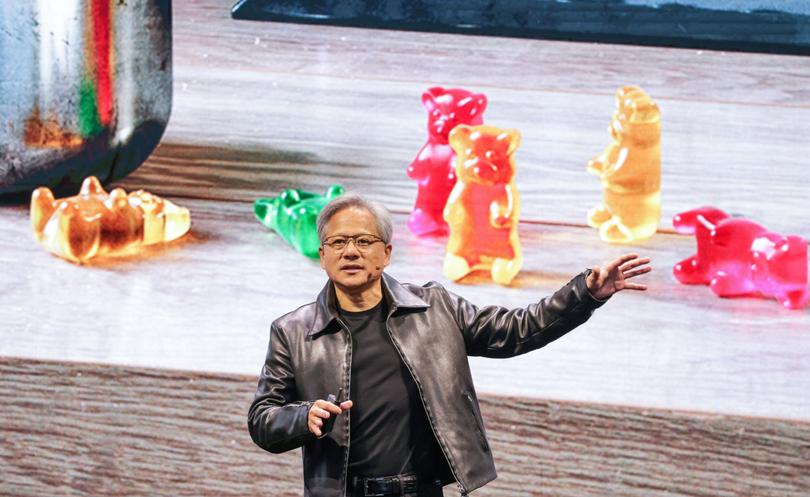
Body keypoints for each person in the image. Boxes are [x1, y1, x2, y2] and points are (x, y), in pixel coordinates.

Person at [247, 194, 651, 497]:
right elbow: (262, 419)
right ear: (322, 255)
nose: (350, 251)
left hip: (420, 490)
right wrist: (303, 417)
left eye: (363, 240)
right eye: (337, 243)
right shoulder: (293, 331)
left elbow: (515, 330)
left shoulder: (434, 308)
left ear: (386, 253)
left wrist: (585, 294)